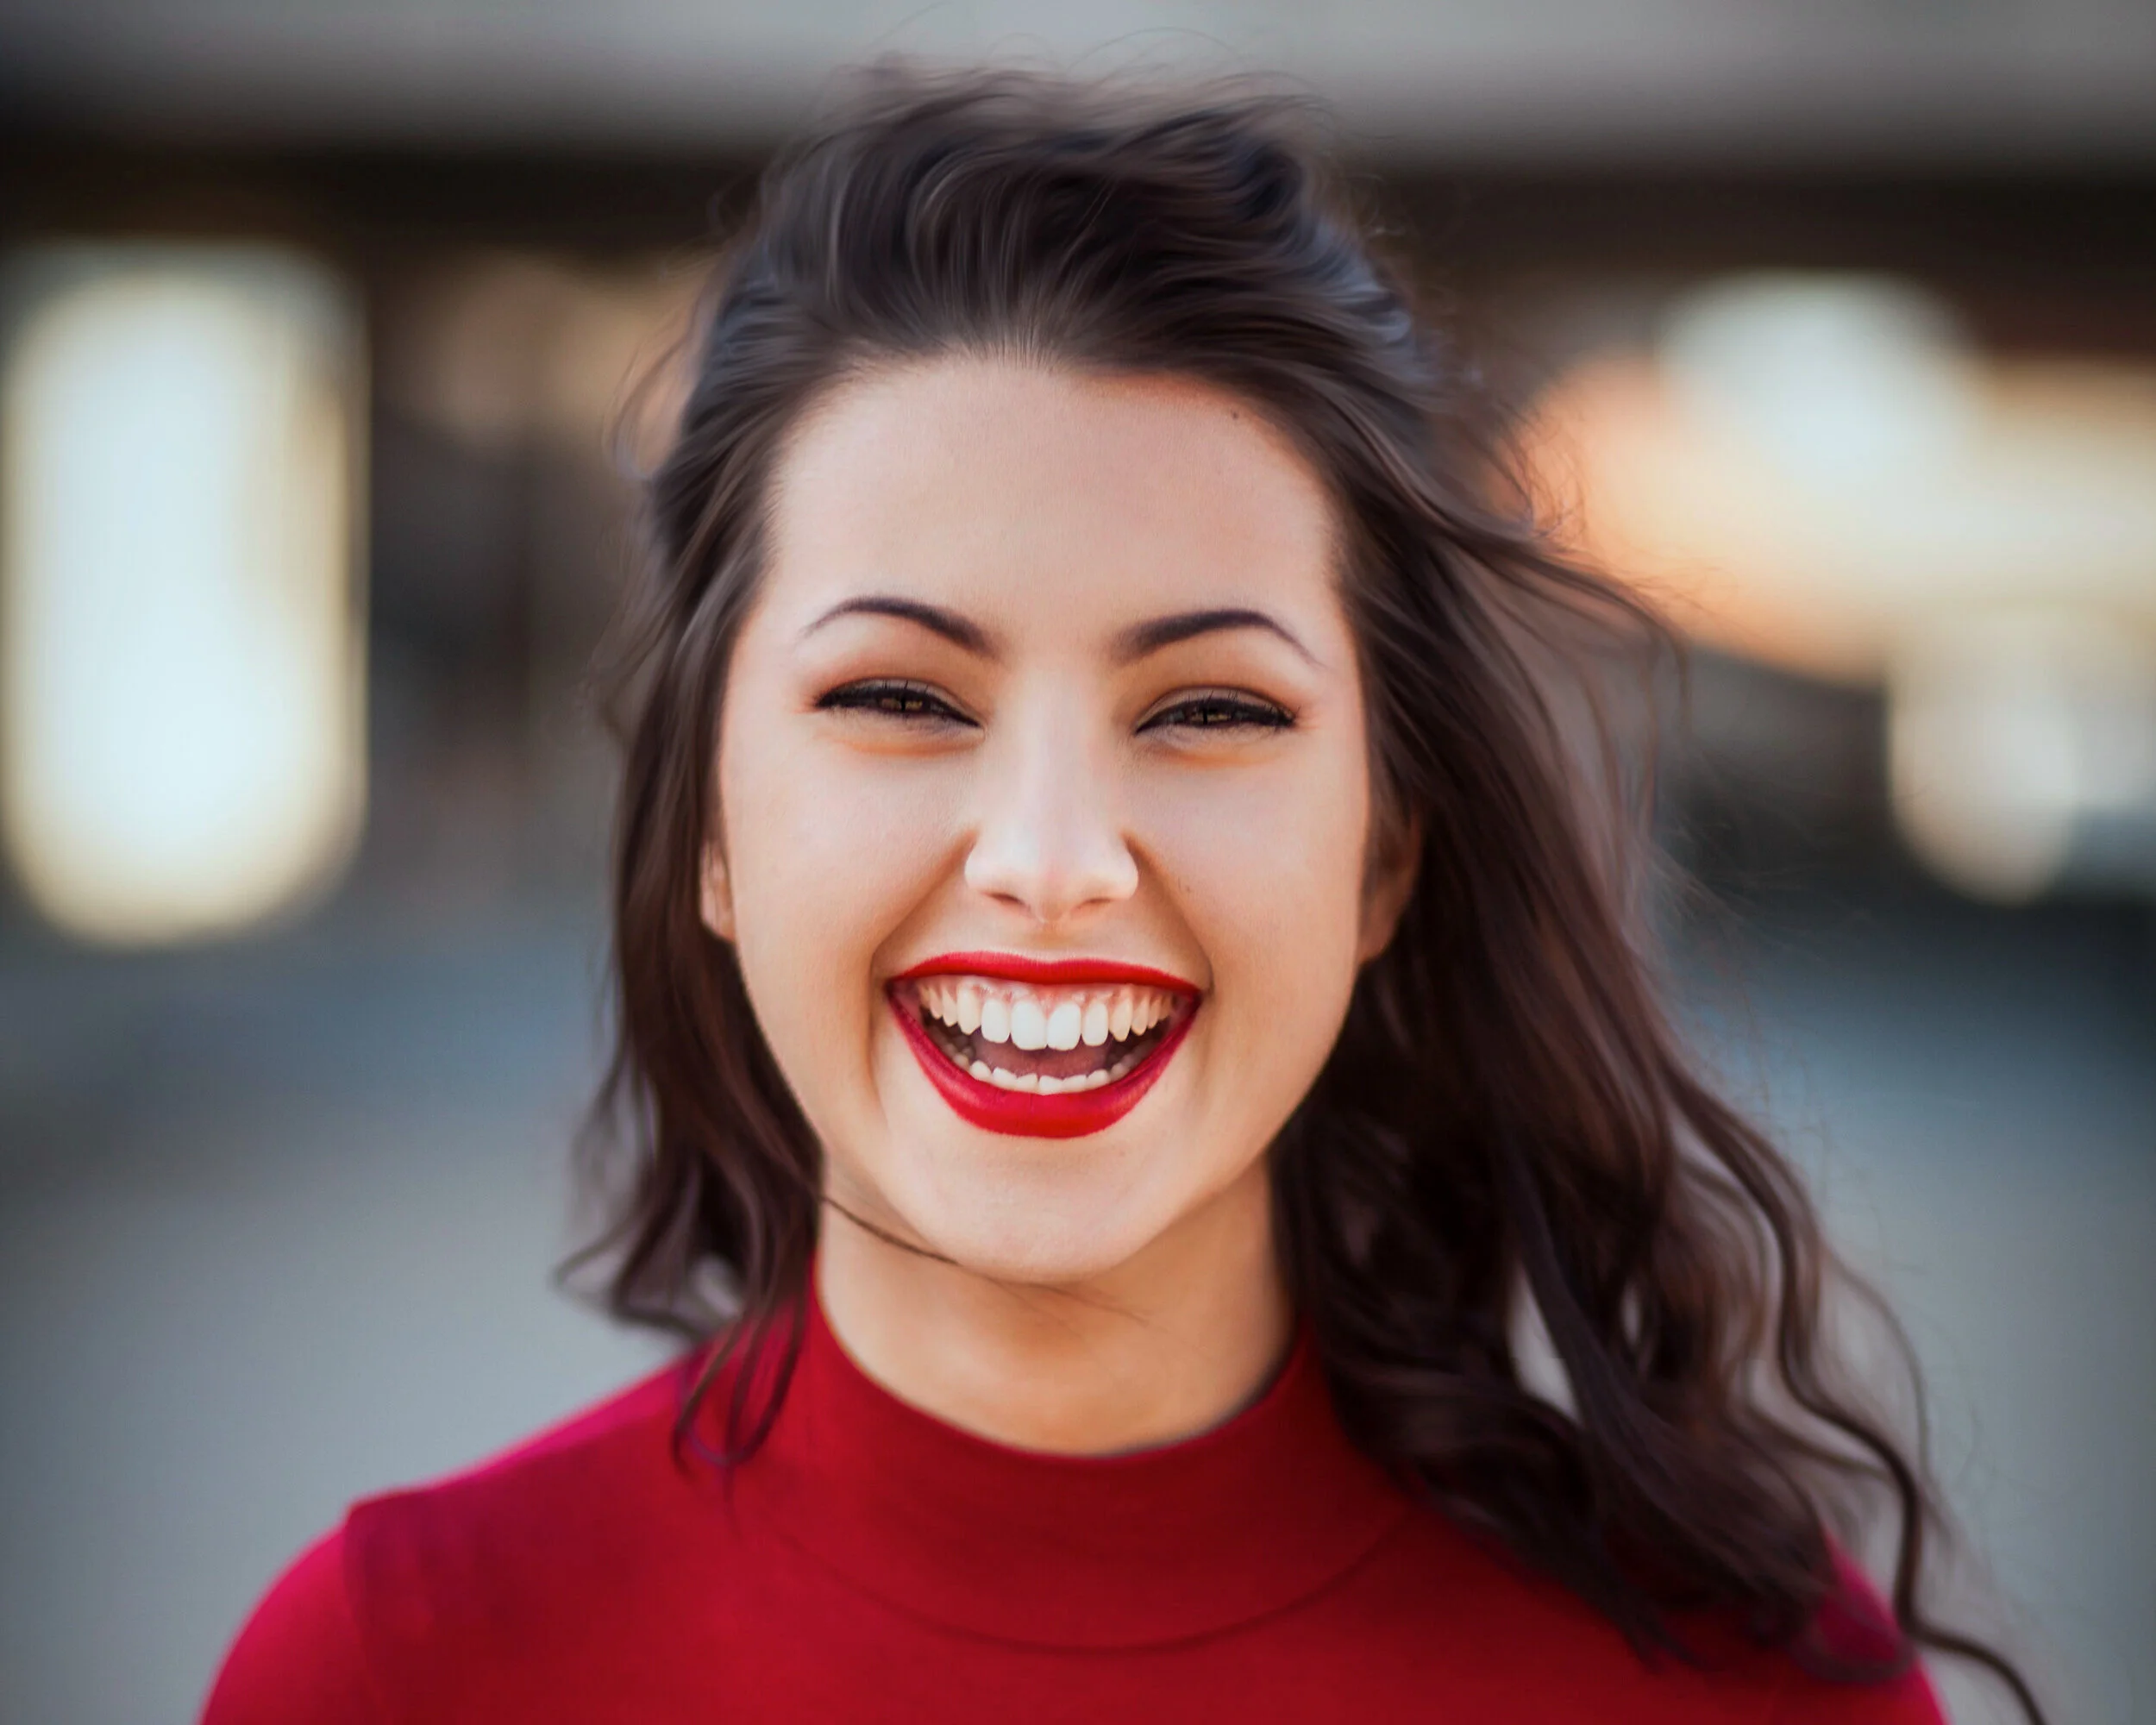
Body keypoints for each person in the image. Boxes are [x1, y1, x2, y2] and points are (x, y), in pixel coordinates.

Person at [202, 67, 2040, 1724]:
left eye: (1212, 710)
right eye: (902, 698)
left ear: (1384, 852)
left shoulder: (1744, 1695)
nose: (1055, 859)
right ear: (707, 829)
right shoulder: (401, 1671)